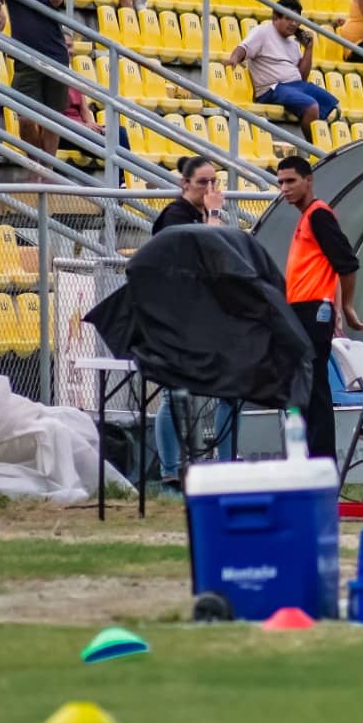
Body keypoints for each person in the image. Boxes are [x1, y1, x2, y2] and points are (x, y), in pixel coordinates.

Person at [149, 156, 236, 494]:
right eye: (203, 182)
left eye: (215, 182)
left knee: (230, 390)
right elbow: (207, 251)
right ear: (184, 184)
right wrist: (214, 215)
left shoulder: (201, 216)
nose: (211, 189)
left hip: (204, 317)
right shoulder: (175, 216)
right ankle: (171, 473)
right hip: (176, 319)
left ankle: (227, 466)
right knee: (175, 394)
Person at [277, 155, 363, 460]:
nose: (284, 188)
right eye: (280, 182)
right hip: (305, 310)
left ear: (308, 180)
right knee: (308, 387)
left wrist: (348, 306)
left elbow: (347, 262)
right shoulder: (307, 217)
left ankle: (321, 461)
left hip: (312, 311)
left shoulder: (318, 215)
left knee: (315, 387)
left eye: (291, 181)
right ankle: (308, 458)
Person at [0, 0, 70, 158]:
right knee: (25, 118)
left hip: (56, 55)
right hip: (25, 58)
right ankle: (35, 163)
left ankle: (48, 170)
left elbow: (56, 0)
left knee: (53, 119)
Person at [228, 0, 338, 133]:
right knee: (312, 107)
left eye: (296, 20)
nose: (293, 24)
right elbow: (243, 48)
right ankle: (314, 149)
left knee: (333, 106)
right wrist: (234, 58)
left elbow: (302, 76)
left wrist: (308, 49)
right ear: (275, 18)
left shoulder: (293, 42)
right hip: (273, 89)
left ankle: (322, 144)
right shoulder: (263, 32)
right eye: (288, 19)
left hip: (296, 86)